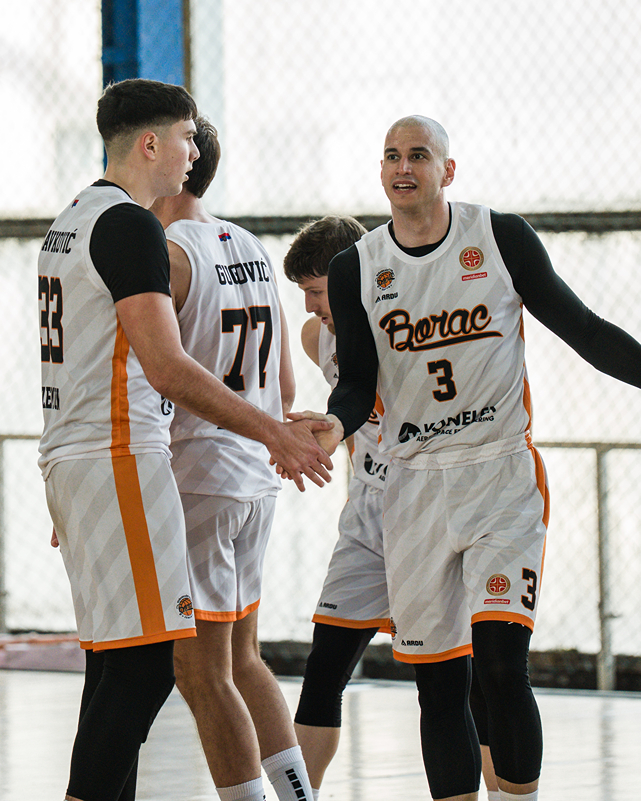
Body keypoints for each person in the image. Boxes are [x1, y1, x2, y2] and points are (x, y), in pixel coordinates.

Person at [293, 115, 641, 801]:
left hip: (498, 473)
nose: (403, 167)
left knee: (502, 665)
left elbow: (583, 329)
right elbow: (357, 380)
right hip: (413, 487)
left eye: (418, 155)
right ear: (381, 171)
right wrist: (334, 424)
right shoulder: (354, 267)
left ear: (446, 170)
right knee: (439, 684)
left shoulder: (499, 237)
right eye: (391, 155)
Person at [39, 79, 332, 801]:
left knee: (124, 663)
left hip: (98, 455)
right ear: (151, 144)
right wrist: (273, 430)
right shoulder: (145, 230)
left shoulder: (68, 222)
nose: (193, 153)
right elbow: (168, 367)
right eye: (185, 138)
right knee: (164, 666)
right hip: (139, 456)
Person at [150, 116, 314, 801]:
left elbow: (157, 374)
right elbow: (285, 386)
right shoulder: (247, 244)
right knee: (243, 658)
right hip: (257, 475)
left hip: (200, 476)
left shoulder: (167, 254)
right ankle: (300, 795)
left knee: (201, 672)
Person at [283, 216, 391, 797]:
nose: (311, 306)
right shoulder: (315, 336)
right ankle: (305, 794)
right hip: (368, 510)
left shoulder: (402, 323)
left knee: (457, 675)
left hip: (429, 504)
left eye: (318, 290)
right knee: (325, 664)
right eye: (303, 292)